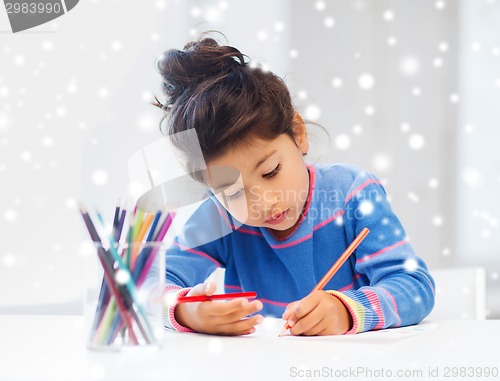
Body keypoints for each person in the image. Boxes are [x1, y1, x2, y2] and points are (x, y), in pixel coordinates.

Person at [152, 35, 435, 336]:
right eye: (232, 192)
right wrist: (184, 309)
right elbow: (147, 284)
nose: (262, 201)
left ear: (299, 134)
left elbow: (415, 288)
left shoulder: (352, 194)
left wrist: (346, 310)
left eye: (271, 172)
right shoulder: (221, 218)